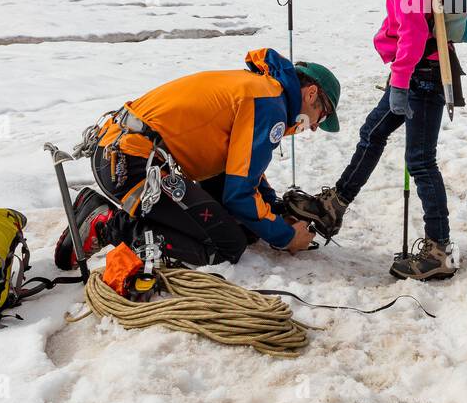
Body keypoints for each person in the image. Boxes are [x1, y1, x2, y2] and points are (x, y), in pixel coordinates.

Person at [285, 0, 459, 281]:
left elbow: (414, 29)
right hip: (421, 70)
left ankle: (439, 251)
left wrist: (399, 82)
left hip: (420, 74)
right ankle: (336, 205)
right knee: (373, 132)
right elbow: (410, 21)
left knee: (420, 160)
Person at [55, 48, 340, 270]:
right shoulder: (269, 104)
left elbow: (242, 169)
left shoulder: (264, 90)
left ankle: (95, 211)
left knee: (244, 228)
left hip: (122, 151)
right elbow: (239, 194)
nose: (314, 126)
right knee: (226, 246)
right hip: (131, 165)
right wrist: (286, 237)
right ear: (311, 93)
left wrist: (275, 212)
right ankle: (107, 223)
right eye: (321, 117)